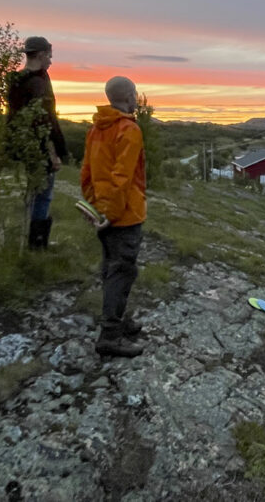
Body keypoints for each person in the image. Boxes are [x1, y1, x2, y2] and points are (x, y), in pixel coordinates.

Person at [80, 76, 146, 358]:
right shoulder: (128, 130)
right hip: (124, 214)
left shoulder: (96, 129)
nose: (136, 99)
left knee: (112, 268)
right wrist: (111, 213)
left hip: (105, 212)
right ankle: (110, 336)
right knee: (122, 272)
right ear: (130, 97)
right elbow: (122, 177)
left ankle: (120, 320)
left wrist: (96, 207)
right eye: (134, 94)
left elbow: (87, 173)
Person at [6, 36, 67, 250]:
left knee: (33, 192)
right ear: (41, 55)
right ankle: (37, 245)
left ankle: (28, 239)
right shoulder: (38, 82)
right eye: (49, 56)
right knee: (43, 195)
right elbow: (43, 120)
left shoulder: (17, 80)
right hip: (39, 148)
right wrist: (53, 154)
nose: (50, 61)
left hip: (22, 145)